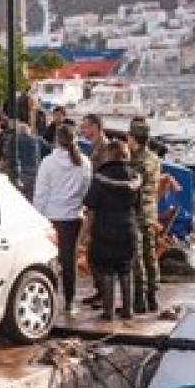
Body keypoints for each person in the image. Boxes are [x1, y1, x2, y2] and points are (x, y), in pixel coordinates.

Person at [33, 124, 92, 315]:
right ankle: (69, 300)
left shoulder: (48, 163)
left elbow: (41, 193)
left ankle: (49, 299)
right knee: (69, 261)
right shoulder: (84, 162)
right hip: (73, 217)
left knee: (48, 259)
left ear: (57, 141)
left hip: (51, 216)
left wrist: (37, 216)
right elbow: (85, 190)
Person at [81, 140, 141, 321]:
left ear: (109, 154)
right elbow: (137, 206)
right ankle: (127, 310)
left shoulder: (100, 177)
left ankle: (108, 311)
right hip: (128, 228)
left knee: (106, 269)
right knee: (125, 268)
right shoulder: (134, 177)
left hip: (105, 228)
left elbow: (91, 209)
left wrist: (86, 234)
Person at [78, 114, 119, 308]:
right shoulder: (96, 148)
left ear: (95, 127)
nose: (83, 131)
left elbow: (103, 179)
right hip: (97, 204)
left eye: (85, 127)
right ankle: (100, 290)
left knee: (99, 253)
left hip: (102, 208)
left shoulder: (104, 149)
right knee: (93, 253)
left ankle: (105, 294)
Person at [128, 120, 163, 314]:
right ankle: (153, 295)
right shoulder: (154, 159)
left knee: (137, 257)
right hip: (151, 212)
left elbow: (132, 187)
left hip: (137, 213)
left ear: (135, 139)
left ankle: (139, 298)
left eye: (129, 137)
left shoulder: (137, 161)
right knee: (151, 255)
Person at [0, 95, 49, 200]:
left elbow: (5, 159)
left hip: (20, 179)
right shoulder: (34, 135)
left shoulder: (13, 135)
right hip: (34, 179)